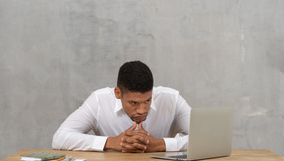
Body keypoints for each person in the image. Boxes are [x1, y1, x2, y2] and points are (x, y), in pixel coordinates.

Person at [52, 61, 191, 153]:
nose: (142, 110)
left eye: (148, 100)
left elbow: (207, 139)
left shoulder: (172, 99)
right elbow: (60, 138)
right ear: (118, 93)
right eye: (134, 103)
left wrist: (160, 145)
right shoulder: (99, 101)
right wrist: (111, 142)